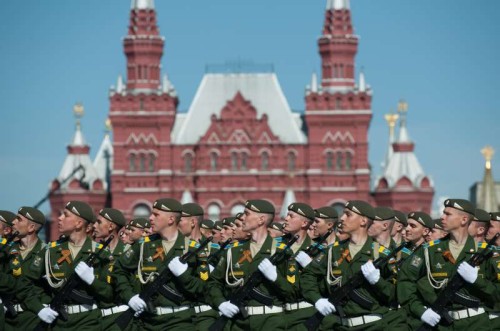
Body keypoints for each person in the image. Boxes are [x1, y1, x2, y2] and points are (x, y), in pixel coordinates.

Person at [301, 200, 405, 330]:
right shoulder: (333, 251)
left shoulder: (381, 254)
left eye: (348, 214)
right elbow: (308, 275)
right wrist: (317, 299)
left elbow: (397, 294)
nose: (342, 218)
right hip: (337, 324)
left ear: (363, 221)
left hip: (371, 326)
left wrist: (377, 281)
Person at [398, 199, 497, 330]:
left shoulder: (486, 253)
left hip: (476, 324)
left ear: (464, 219)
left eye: (448, 214)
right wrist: (420, 311)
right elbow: (405, 281)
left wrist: (477, 281)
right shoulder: (429, 250)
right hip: (441, 324)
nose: (442, 217)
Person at [206, 199, 290, 330]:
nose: (242, 218)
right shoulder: (232, 252)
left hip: (270, 322)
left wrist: (275, 278)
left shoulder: (280, 251)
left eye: (247, 214)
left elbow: (294, 292)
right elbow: (213, 283)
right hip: (237, 323)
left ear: (261, 220)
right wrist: (221, 303)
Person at [113, 198, 195, 330]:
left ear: (171, 220)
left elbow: (204, 288)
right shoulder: (143, 245)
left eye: (156, 215)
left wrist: (184, 275)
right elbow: (119, 269)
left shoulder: (191, 249)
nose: (150, 218)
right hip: (148, 322)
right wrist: (130, 297)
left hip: (180, 321)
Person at [24, 201, 105, 330]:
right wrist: (39, 307)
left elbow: (111, 292)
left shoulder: (100, 253)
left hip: (88, 320)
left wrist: (93, 281)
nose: (59, 218)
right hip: (58, 321)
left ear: (79, 223)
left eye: (66, 215)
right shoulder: (50, 251)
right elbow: (26, 283)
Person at [75, 208, 129, 330]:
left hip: (119, 319)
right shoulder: (93, 254)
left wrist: (91, 280)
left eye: (99, 222)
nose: (94, 226)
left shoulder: (126, 254)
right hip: (94, 318)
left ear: (110, 226)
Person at [0, 207, 46, 330]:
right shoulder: (6, 250)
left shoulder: (47, 252)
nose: (14, 222)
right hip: (7, 318)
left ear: (31, 228)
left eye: (19, 219)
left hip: (32, 318)